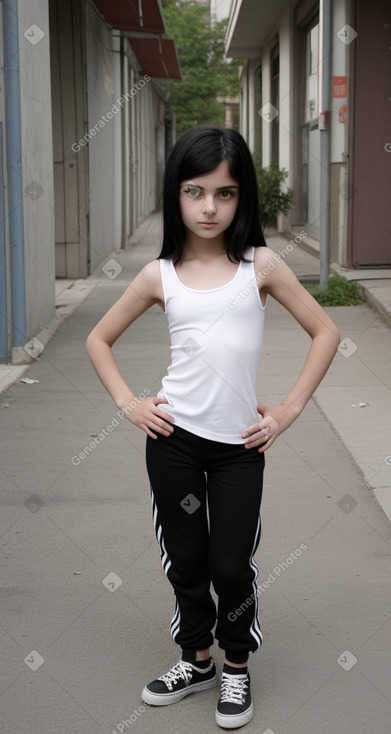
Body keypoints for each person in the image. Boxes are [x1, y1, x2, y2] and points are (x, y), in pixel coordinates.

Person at [86, 125, 340, 729]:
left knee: (232, 564)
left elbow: (327, 333)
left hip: (238, 449)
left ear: (241, 197)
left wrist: (287, 410)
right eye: (194, 191)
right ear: (175, 195)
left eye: (224, 194)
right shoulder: (159, 275)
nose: (208, 207)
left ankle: (235, 667)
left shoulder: (263, 265)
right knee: (186, 560)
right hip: (172, 443)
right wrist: (130, 404)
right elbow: (99, 339)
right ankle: (195, 660)